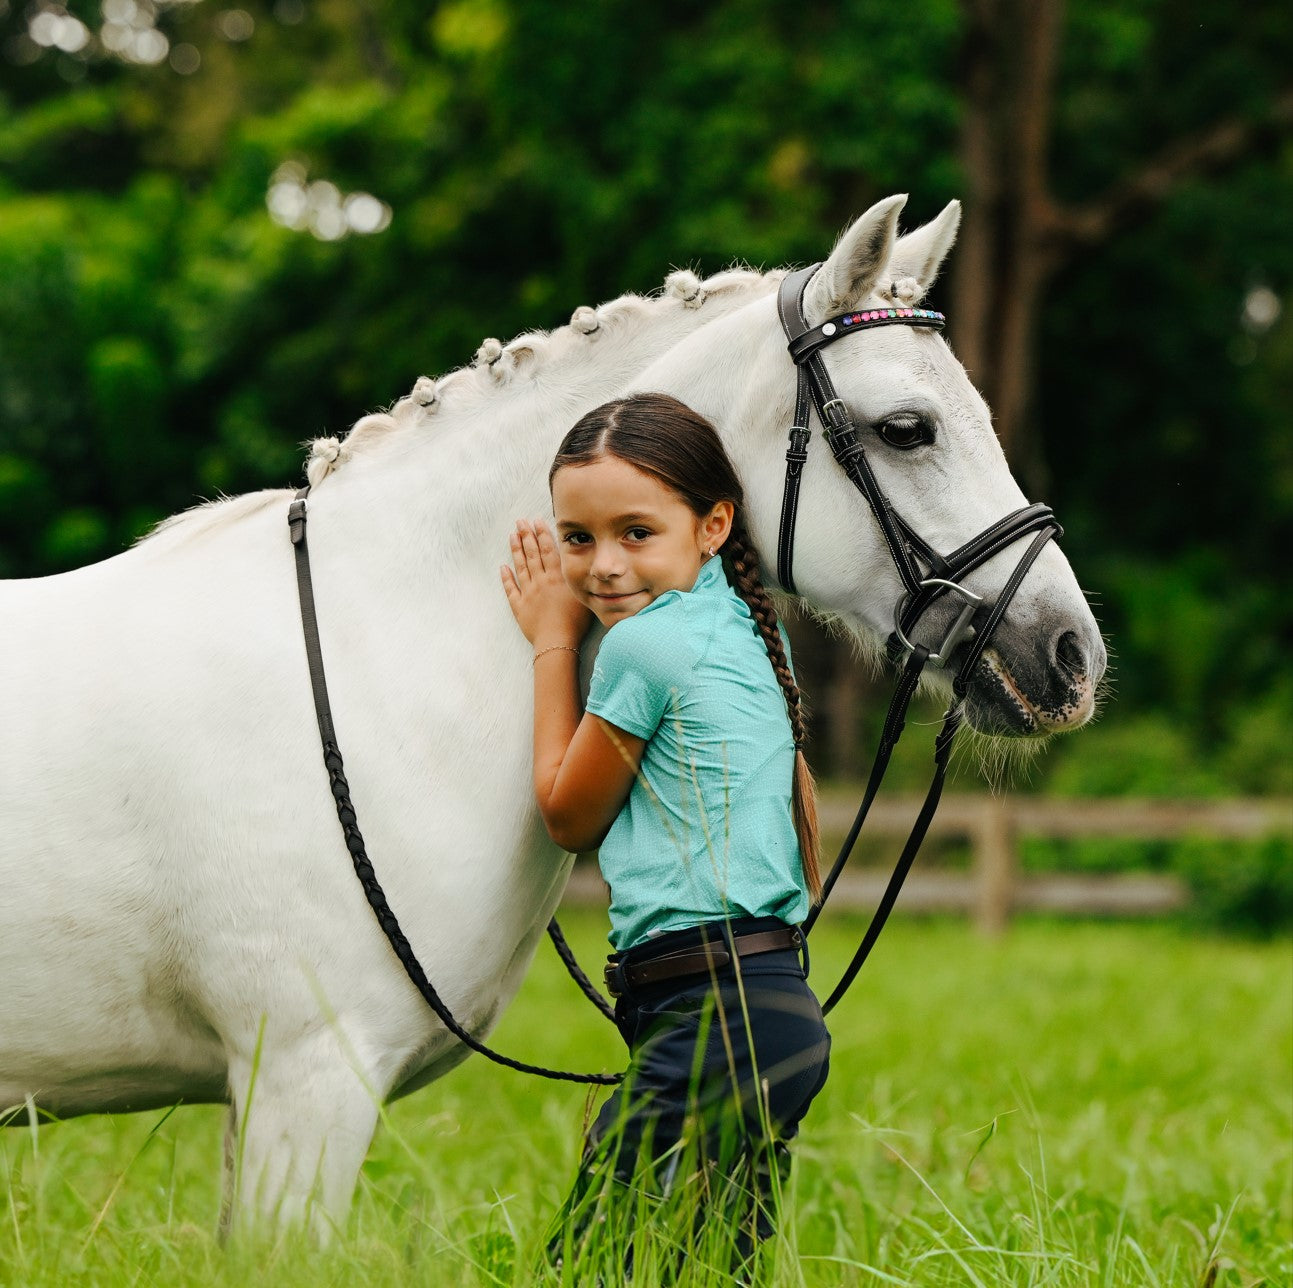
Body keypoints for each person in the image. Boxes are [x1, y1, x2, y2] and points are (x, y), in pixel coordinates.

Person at [500, 391, 831, 1276]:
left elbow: (568, 816)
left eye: (635, 533)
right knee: (711, 1268)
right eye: (578, 539)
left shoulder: (647, 649)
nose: (604, 566)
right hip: (770, 1008)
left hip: (711, 1012)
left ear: (713, 523)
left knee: (590, 1264)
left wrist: (550, 638)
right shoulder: (746, 632)